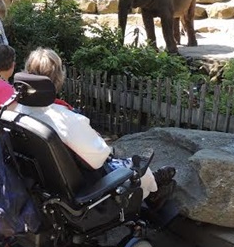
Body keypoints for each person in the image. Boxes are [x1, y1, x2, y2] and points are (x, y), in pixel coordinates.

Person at [16, 48, 175, 210]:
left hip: (44, 181)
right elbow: (100, 157)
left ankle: (153, 187)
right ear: (59, 78)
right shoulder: (67, 120)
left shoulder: (16, 112)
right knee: (141, 170)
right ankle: (153, 195)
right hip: (82, 189)